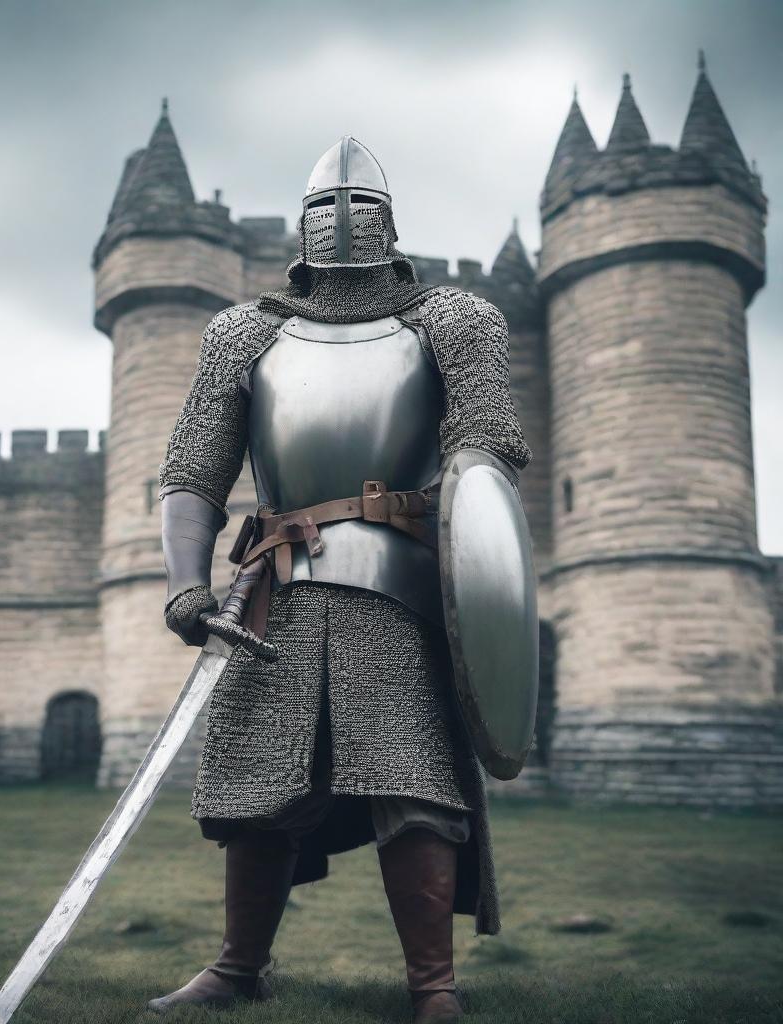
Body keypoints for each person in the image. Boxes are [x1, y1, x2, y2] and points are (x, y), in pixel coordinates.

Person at [151, 137, 531, 1023]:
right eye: (329, 205)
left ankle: (432, 988)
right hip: (273, 589)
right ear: (302, 224)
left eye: (359, 205)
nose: (343, 218)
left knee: (414, 785)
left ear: (391, 223)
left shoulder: (454, 320)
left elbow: (488, 447)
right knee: (255, 785)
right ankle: (237, 969)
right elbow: (194, 472)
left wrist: (458, 520)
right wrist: (184, 585)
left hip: (398, 588)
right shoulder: (243, 333)